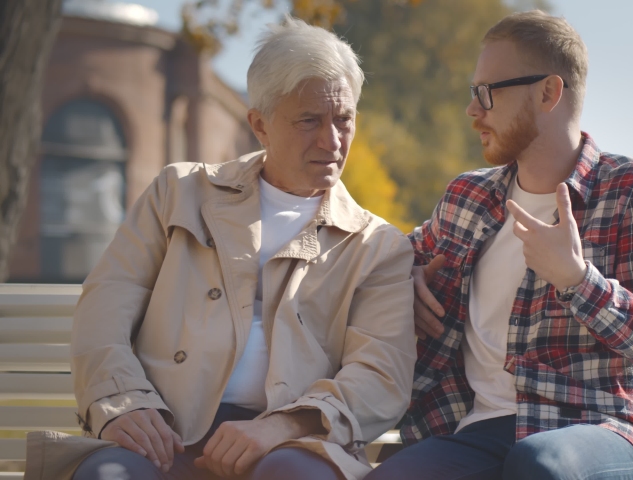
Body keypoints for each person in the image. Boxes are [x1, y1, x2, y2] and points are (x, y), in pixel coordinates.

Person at [59, 17, 416, 480]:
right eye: (309, 120)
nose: (332, 141)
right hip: (164, 431)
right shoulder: (178, 193)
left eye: (343, 119)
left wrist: (282, 426)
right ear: (260, 125)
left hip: (292, 443)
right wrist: (122, 403)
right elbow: (105, 306)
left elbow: (379, 374)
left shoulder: (378, 246)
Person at [367, 10, 633, 480]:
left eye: (487, 92)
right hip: (478, 431)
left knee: (538, 465)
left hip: (601, 428)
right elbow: (392, 256)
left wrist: (578, 281)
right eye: (473, 92)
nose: (472, 109)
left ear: (548, 93)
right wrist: (404, 278)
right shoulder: (467, 197)